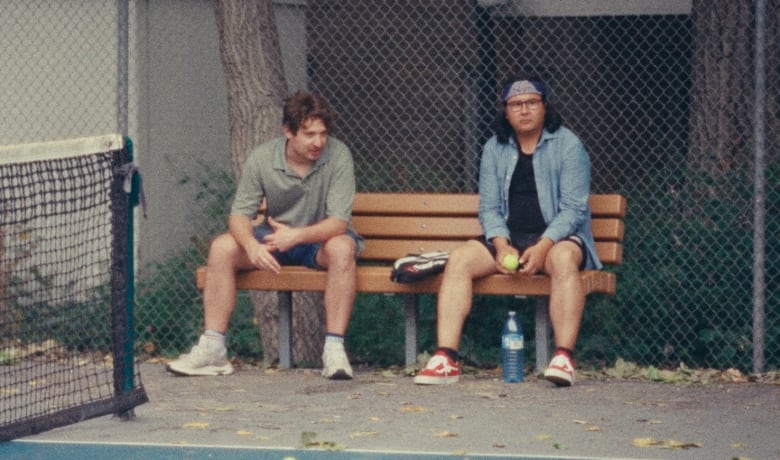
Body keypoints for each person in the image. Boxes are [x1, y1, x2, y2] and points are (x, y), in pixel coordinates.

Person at [414, 74, 600, 387]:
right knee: (459, 259)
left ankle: (564, 357)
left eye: (531, 103)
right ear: (506, 110)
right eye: (516, 104)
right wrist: (501, 246)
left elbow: (573, 209)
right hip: (509, 240)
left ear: (544, 107)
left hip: (557, 239)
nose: (524, 110)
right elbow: (489, 209)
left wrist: (543, 246)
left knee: (565, 259)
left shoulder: (569, 145)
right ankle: (446, 358)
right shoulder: (494, 148)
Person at [167, 91, 363, 380]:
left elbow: (337, 222)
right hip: (274, 239)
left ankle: (334, 350)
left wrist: (296, 236)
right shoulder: (262, 158)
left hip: (318, 241)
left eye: (322, 134)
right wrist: (251, 246)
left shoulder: (338, 155)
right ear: (288, 131)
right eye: (309, 134)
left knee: (343, 247)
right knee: (222, 247)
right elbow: (238, 216)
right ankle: (213, 349)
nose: (318, 142)